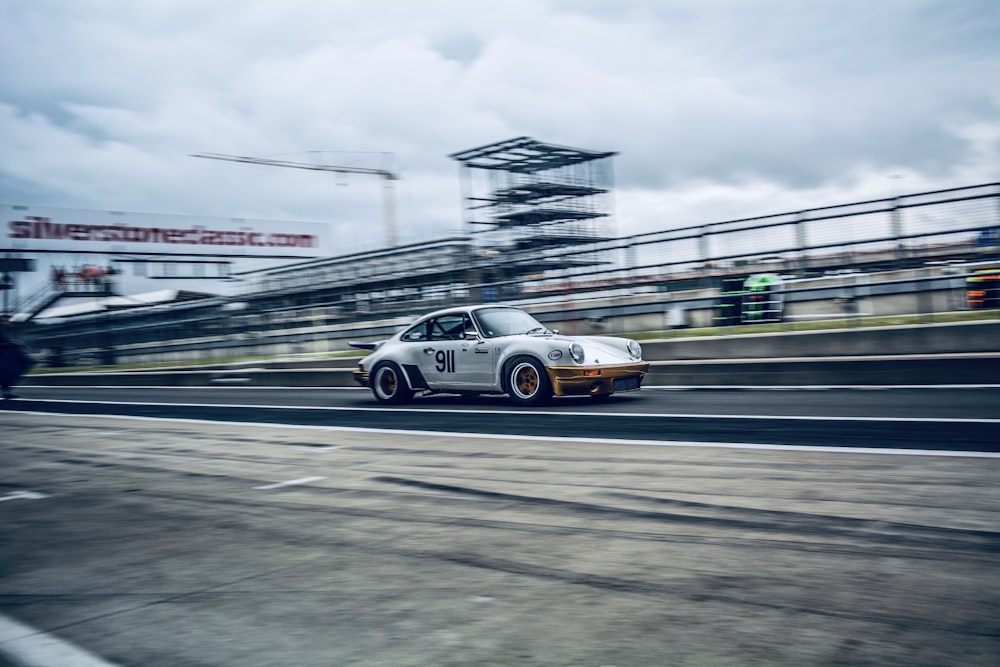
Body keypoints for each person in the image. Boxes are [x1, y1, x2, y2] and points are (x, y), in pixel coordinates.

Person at [0, 315, 35, 399]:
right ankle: (6, 390)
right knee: (6, 372)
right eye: (4, 321)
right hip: (4, 354)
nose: (7, 322)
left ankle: (6, 390)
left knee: (24, 364)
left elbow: (10, 340)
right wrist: (11, 343)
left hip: (9, 353)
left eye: (7, 321)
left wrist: (16, 343)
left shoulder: (8, 330)